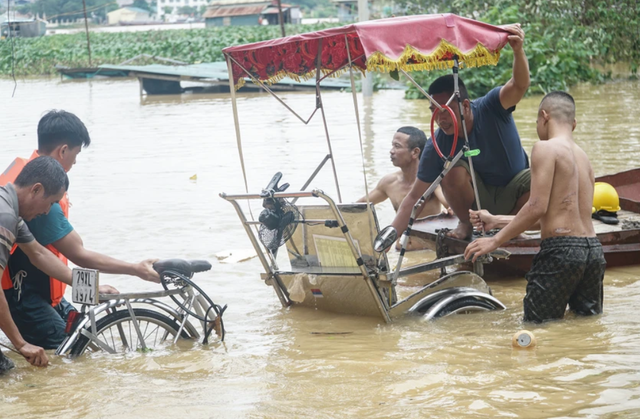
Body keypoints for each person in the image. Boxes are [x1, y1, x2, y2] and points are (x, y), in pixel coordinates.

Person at [1, 110, 159, 349]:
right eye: (74, 158)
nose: (48, 209)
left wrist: (92, 288)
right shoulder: (27, 205)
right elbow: (79, 254)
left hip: (36, 288)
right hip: (21, 294)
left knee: (76, 344)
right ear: (63, 151)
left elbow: (40, 254)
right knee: (62, 356)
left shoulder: (22, 184)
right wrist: (135, 269)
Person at [464, 91, 606, 323]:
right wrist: (497, 219)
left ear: (544, 117)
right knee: (585, 326)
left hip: (560, 252)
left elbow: (537, 207)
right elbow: (556, 216)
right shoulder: (584, 158)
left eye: (537, 122)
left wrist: (494, 240)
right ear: (574, 124)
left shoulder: (545, 148)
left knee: (536, 328)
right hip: (593, 251)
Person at [390, 24, 531, 241]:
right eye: (434, 112)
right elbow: (413, 198)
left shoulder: (491, 106)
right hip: (477, 205)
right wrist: (387, 240)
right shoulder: (437, 143)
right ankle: (465, 224)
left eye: (445, 110)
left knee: (544, 171)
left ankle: (511, 226)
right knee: (451, 171)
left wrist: (518, 50)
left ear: (465, 106)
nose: (440, 119)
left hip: (516, 191)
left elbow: (519, 85)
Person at [0, 157, 73, 371]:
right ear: (36, 190)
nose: (47, 211)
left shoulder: (11, 209)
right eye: (51, 202)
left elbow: (38, 254)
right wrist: (21, 344)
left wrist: (85, 284)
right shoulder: (4, 218)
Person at [358, 127, 450, 250]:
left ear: (415, 152)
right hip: (400, 252)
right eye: (392, 146)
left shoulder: (432, 182)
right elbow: (360, 206)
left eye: (397, 146)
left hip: (427, 253)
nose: (391, 151)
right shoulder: (389, 182)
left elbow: (451, 206)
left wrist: (448, 212)